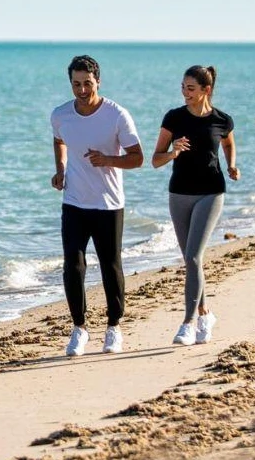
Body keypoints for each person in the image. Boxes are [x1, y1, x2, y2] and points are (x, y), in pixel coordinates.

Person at [50, 55, 144, 356]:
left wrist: (108, 160)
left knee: (110, 265)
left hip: (108, 204)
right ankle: (79, 328)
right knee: (73, 266)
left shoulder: (116, 115)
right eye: (76, 84)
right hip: (74, 203)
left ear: (98, 82)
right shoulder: (61, 115)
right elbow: (59, 140)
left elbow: (137, 158)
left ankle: (114, 327)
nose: (82, 90)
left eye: (87, 83)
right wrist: (61, 169)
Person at [151, 65, 239, 346]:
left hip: (211, 192)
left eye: (190, 88)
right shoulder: (174, 118)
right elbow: (155, 159)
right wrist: (173, 151)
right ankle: (205, 314)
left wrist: (232, 165)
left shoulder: (222, 120)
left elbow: (228, 145)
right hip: (179, 193)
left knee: (192, 258)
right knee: (191, 261)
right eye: (183, 87)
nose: (185, 93)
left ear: (206, 90)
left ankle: (187, 324)